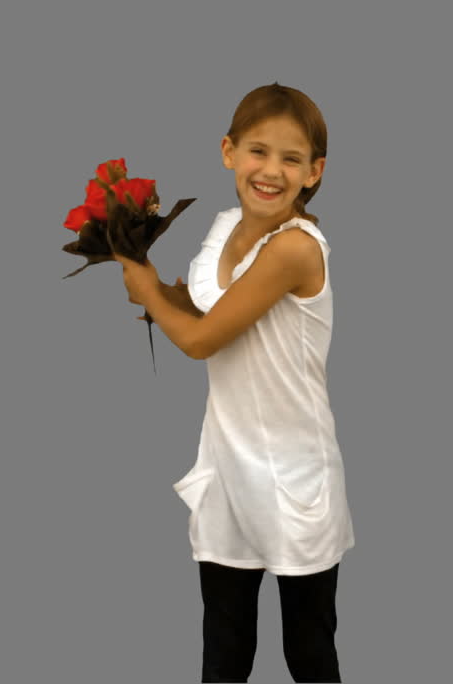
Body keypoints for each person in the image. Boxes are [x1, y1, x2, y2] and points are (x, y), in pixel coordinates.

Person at [117, 83, 353, 683]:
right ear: (228, 151)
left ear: (314, 172)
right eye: (257, 151)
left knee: (309, 653)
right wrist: (139, 267)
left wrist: (146, 291)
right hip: (228, 466)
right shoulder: (225, 228)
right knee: (223, 650)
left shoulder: (295, 248)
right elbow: (205, 312)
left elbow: (200, 341)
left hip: (293, 475)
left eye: (291, 158)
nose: (271, 170)